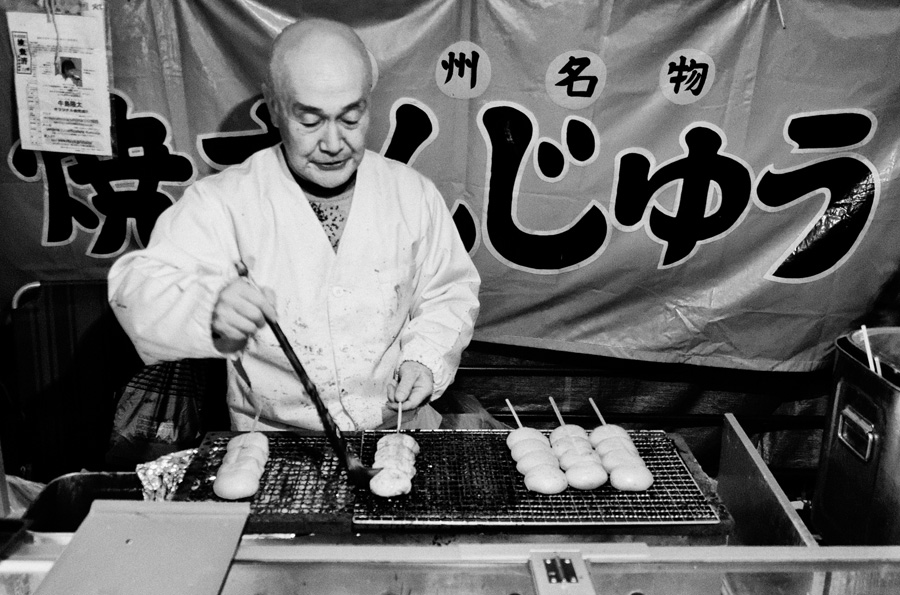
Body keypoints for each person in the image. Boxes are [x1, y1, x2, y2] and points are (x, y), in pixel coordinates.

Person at [108, 18, 481, 433]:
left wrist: (424, 359)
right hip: (275, 442)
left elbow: (449, 291)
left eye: (351, 118)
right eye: (310, 121)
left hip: (399, 428)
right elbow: (134, 289)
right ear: (274, 106)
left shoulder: (412, 194)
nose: (334, 143)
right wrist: (207, 306)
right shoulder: (225, 202)